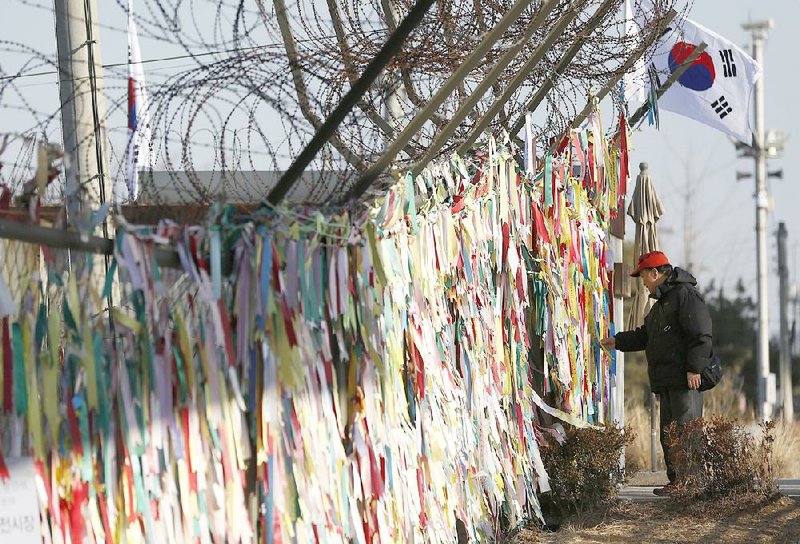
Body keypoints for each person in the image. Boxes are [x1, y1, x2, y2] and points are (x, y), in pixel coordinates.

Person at [601, 251, 712, 496]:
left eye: (642, 276)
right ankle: (677, 482)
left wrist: (694, 368)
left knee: (686, 431)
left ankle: (691, 485)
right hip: (668, 381)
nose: (642, 282)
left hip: (686, 380)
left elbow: (701, 334)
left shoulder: (685, 296)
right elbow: (645, 335)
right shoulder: (662, 304)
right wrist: (616, 341)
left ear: (655, 273)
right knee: (670, 433)